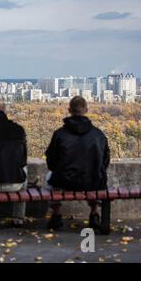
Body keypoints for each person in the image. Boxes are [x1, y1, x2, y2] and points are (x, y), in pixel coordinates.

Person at [45, 96, 110, 230]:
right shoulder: (98, 135)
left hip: (64, 181)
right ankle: (94, 213)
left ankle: (56, 215)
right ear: (86, 110)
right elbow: (105, 161)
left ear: (69, 110)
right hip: (92, 181)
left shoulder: (59, 134)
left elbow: (51, 162)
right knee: (98, 176)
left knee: (49, 177)